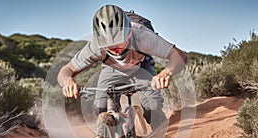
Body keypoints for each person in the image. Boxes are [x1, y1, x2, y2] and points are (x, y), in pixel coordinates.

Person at [57, 4, 187, 130]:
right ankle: (116, 134)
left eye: (120, 43)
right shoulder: (96, 46)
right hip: (112, 69)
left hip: (142, 65)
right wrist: (67, 81)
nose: (116, 50)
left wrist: (167, 72)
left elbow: (178, 55)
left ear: (129, 33)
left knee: (152, 110)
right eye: (109, 47)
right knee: (100, 109)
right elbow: (66, 70)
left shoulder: (142, 36)